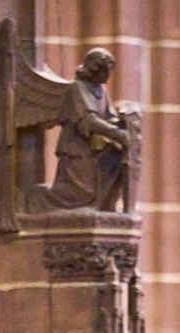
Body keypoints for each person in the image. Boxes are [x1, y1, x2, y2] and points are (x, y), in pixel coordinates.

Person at [46, 47, 129, 212]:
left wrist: (123, 122)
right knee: (82, 192)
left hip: (93, 147)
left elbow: (107, 117)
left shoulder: (101, 90)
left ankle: (106, 204)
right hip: (76, 149)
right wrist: (118, 134)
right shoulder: (77, 88)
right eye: (105, 71)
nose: (108, 76)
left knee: (116, 158)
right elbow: (88, 120)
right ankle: (41, 199)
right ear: (94, 69)